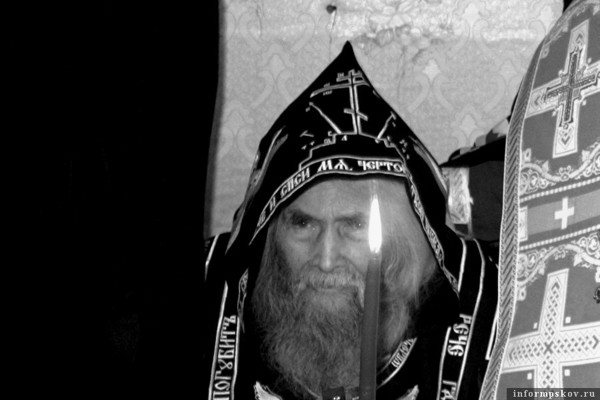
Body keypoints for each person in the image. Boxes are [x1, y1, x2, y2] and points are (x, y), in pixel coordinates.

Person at [203, 42, 498, 400]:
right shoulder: (203, 295)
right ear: (270, 231)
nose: (326, 259)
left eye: (354, 225)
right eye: (303, 224)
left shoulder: (483, 310)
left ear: (402, 236)